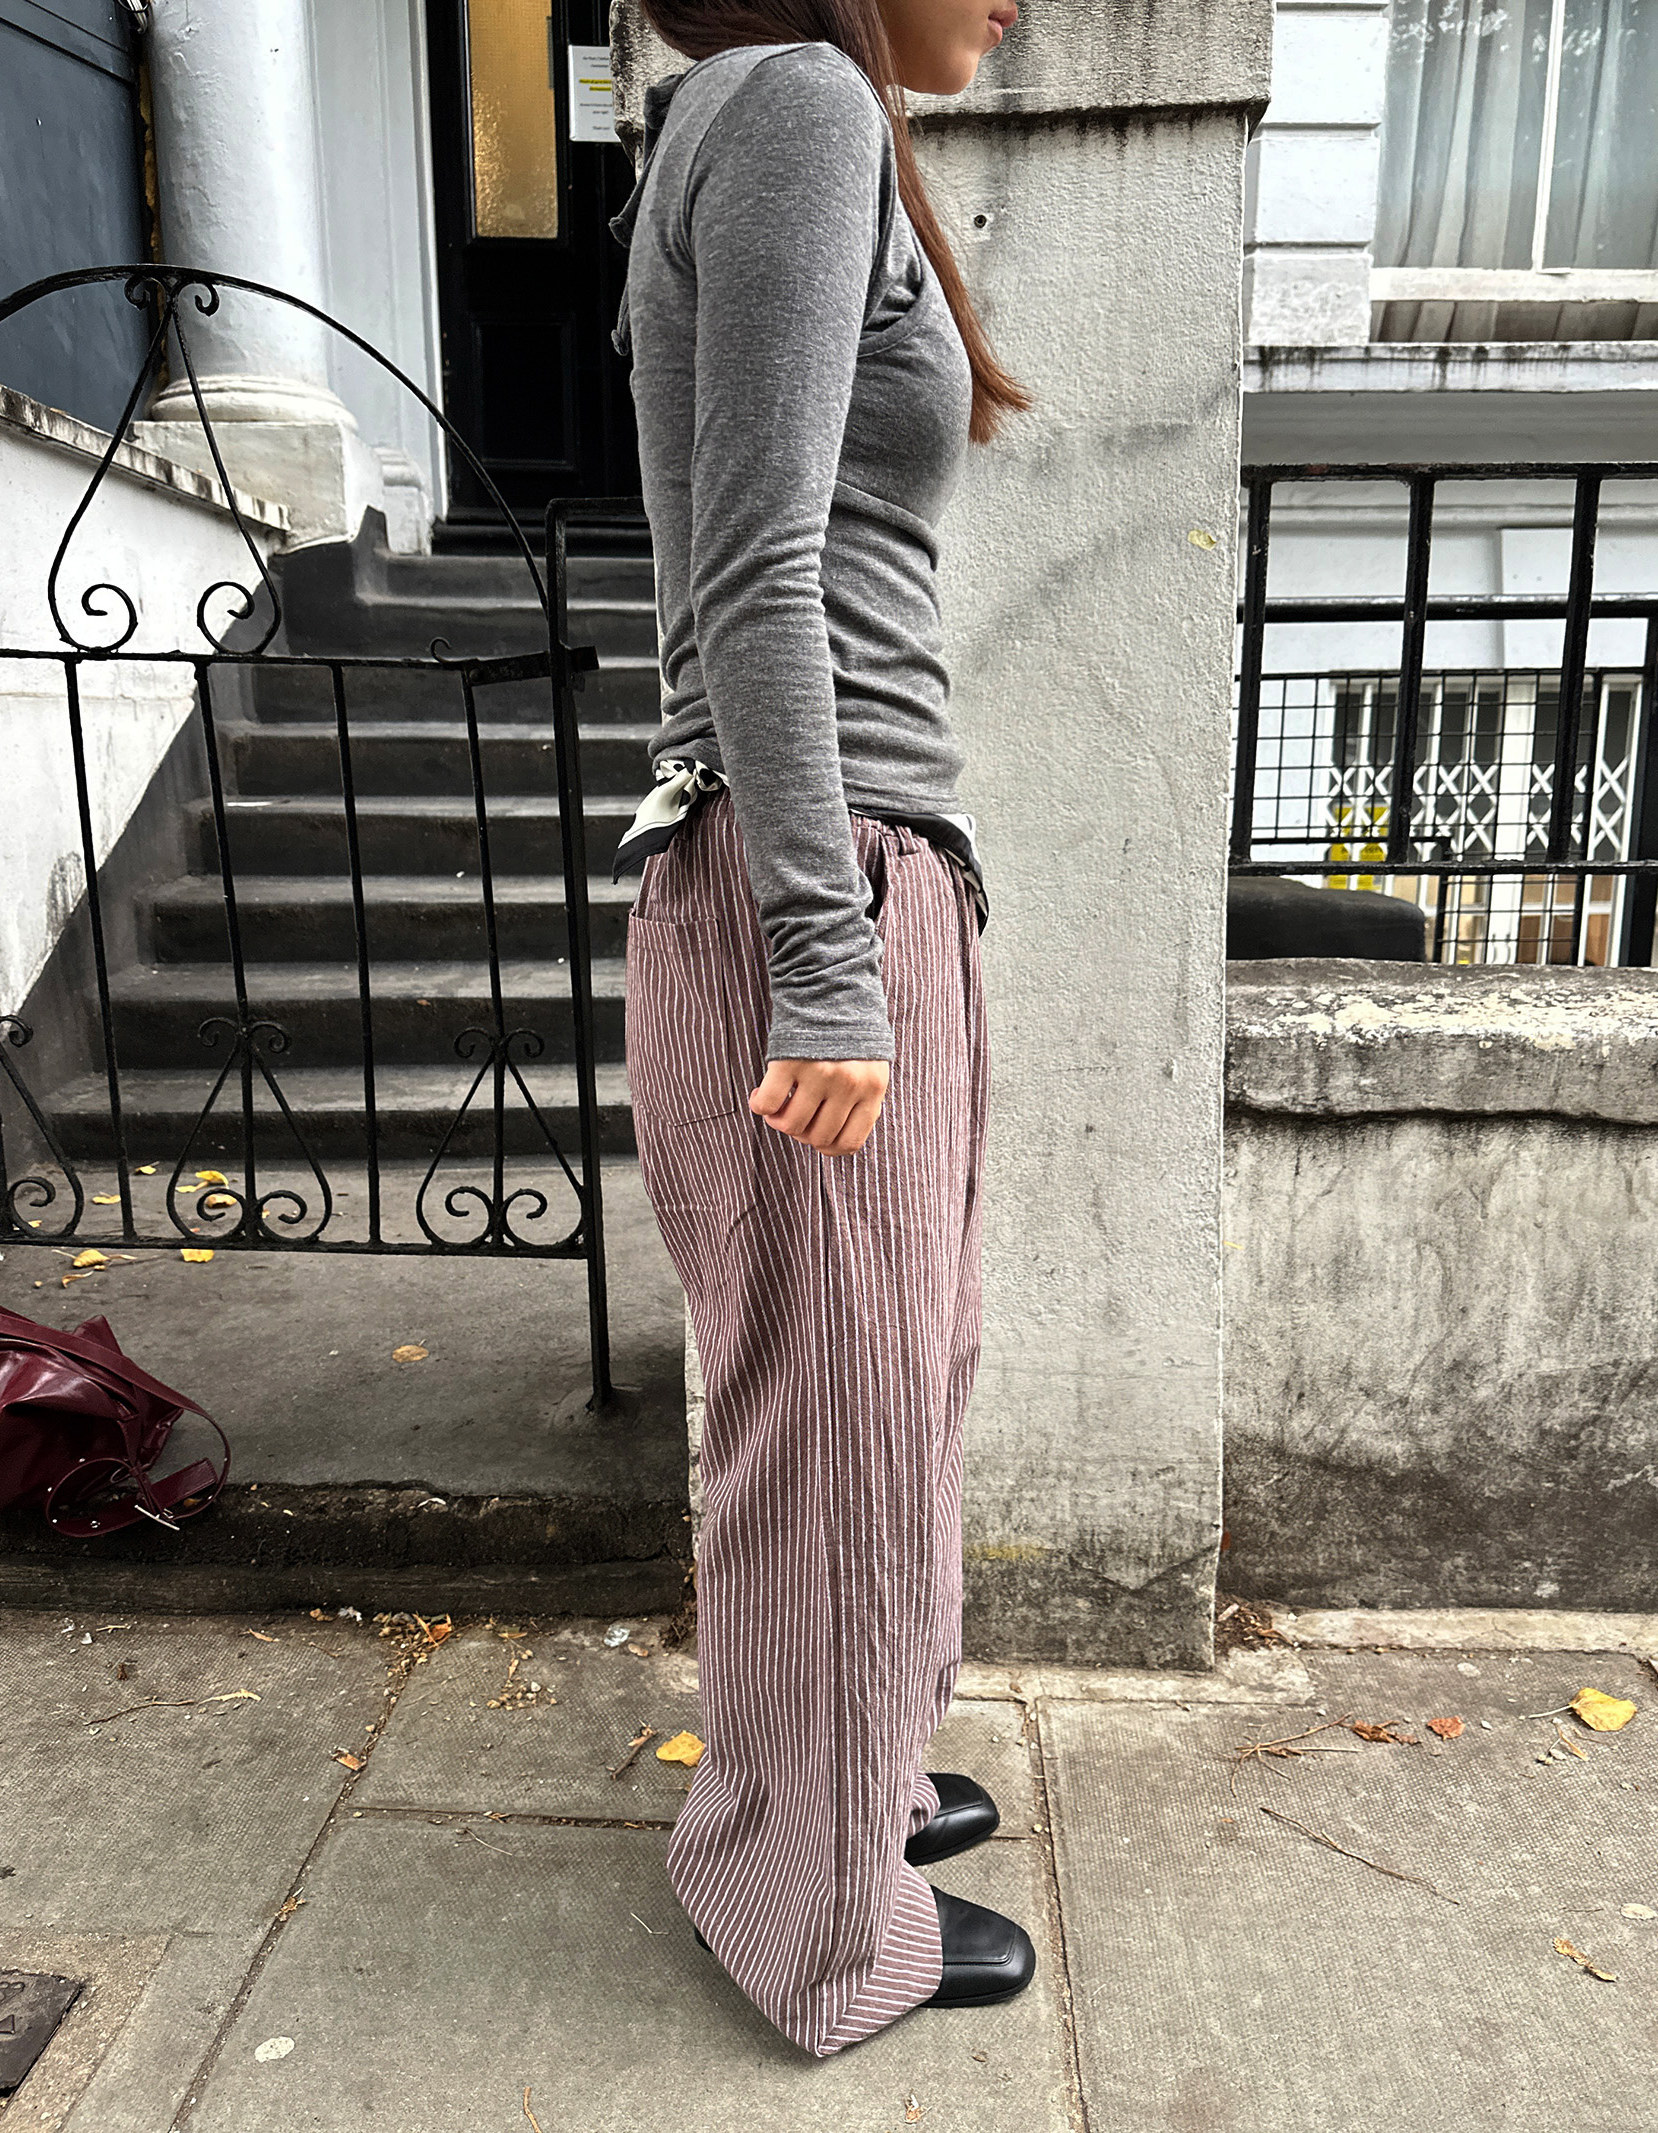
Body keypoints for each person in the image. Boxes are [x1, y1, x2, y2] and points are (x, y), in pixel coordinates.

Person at [607, 0, 1033, 2059]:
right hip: (820, 869)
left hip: (844, 856)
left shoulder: (758, 113)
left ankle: (833, 1786)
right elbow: (756, 565)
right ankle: (823, 1922)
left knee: (876, 1384)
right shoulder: (794, 102)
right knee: (842, 1425)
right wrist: (828, 953)